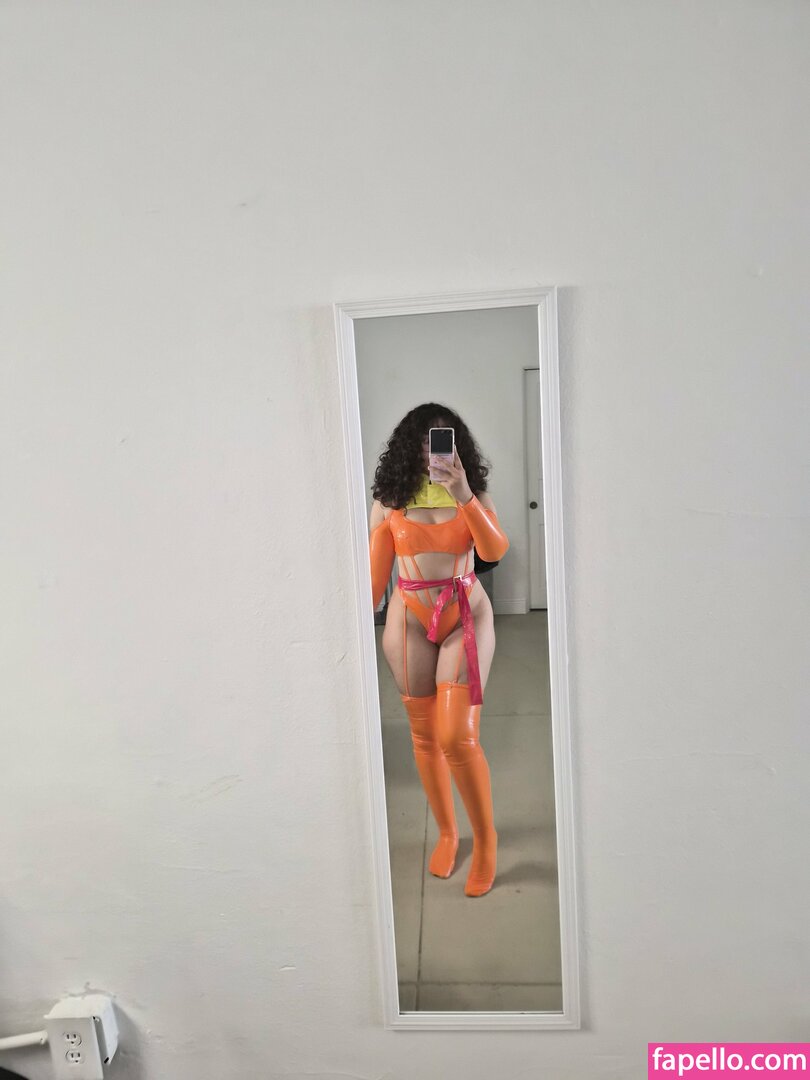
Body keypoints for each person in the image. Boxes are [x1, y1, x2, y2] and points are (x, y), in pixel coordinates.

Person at [368, 403, 509, 897]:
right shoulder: (389, 502)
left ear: (457, 445)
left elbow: (493, 552)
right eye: (425, 440)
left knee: (457, 737)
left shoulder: (474, 495)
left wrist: (463, 495)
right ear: (410, 446)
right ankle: (449, 833)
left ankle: (486, 840)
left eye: (442, 439)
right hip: (408, 619)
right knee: (425, 736)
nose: (433, 450)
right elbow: (373, 582)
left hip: (465, 613)